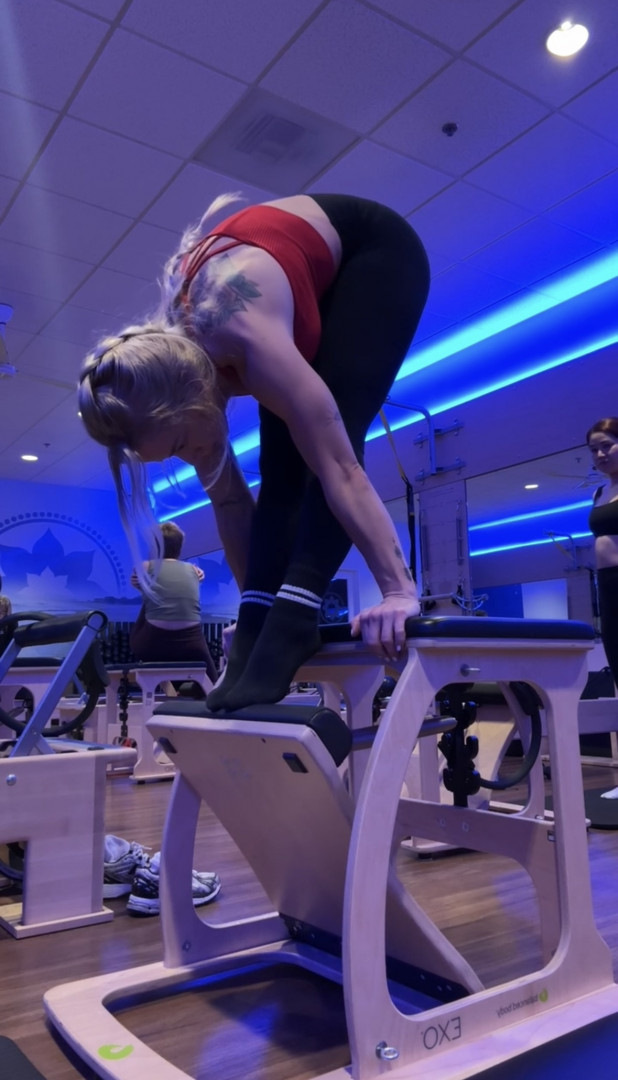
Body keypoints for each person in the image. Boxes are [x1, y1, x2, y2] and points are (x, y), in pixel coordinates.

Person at [78, 193, 430, 710]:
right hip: (284, 288)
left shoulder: (246, 339)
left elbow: (340, 468)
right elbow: (231, 504)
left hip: (371, 252)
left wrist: (398, 592)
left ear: (193, 395)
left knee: (326, 442)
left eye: (180, 443)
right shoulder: (182, 389)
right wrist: (252, 618)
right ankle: (269, 619)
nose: (192, 455)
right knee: (279, 469)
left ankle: (296, 615)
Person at [130, 521, 218, 684]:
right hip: (192, 642)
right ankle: (206, 687)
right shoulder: (194, 570)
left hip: (152, 643)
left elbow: (137, 581)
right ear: (179, 547)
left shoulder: (145, 566)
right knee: (211, 676)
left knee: (149, 602)